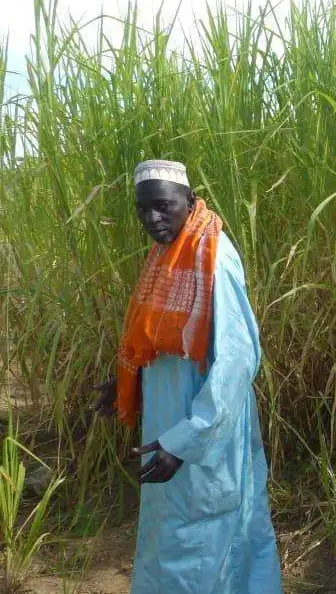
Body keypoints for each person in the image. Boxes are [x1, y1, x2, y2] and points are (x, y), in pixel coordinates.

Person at [93, 160, 281, 594]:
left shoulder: (214, 258)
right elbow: (156, 340)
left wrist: (186, 440)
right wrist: (127, 383)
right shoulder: (167, 252)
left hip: (203, 427)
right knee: (172, 532)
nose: (152, 218)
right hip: (167, 419)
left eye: (163, 206)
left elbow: (236, 360)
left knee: (208, 533)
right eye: (143, 210)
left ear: (190, 202)